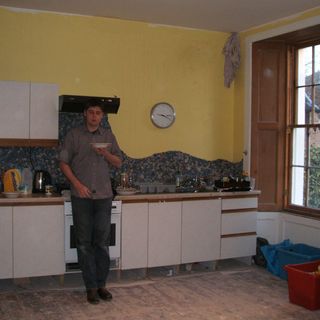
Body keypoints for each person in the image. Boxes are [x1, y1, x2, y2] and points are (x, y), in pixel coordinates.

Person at [58, 99, 122, 304]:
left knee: (102, 243)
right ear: (85, 114)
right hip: (82, 197)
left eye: (98, 113)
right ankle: (91, 287)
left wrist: (105, 153)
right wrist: (77, 185)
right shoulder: (74, 135)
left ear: (102, 116)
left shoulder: (108, 136)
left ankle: (102, 285)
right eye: (91, 112)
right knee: (84, 244)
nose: (95, 116)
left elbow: (118, 162)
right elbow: (63, 163)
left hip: (103, 196)